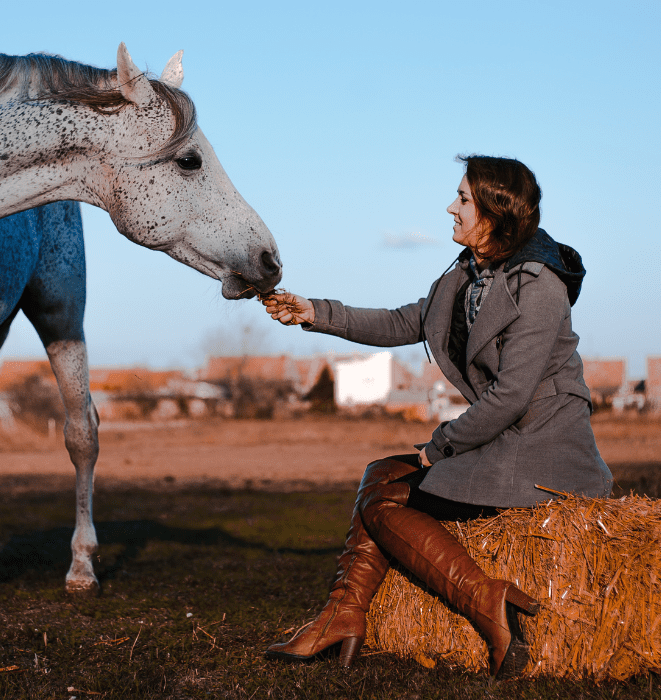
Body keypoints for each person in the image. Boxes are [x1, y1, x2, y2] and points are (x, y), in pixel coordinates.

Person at [261, 155, 612, 679]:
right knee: (381, 473)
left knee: (383, 499)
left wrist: (441, 445)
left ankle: (480, 599)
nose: (451, 207)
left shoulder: (539, 285)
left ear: (494, 211)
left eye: (463, 199)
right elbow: (401, 322)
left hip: (541, 448)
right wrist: (314, 311)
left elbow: (512, 397)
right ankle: (344, 613)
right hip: (503, 438)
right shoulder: (467, 276)